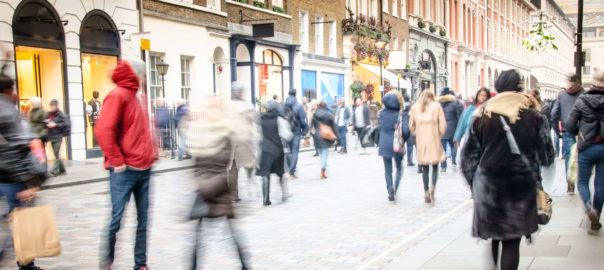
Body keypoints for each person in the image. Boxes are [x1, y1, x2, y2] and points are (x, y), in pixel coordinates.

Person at [461, 69, 554, 270]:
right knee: (512, 240)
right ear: (518, 88)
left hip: (490, 186)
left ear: (497, 88)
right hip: (520, 187)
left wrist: (475, 184)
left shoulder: (481, 115)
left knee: (495, 235)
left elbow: (467, 159)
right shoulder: (534, 116)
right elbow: (546, 156)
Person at [95, 58, 157, 270]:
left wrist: (152, 153)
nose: (145, 78)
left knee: (143, 221)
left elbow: (143, 129)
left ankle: (140, 264)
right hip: (124, 170)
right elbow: (103, 131)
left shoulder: (140, 96)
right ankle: (107, 263)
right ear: (137, 75)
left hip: (144, 168)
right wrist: (117, 160)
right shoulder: (118, 95)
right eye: (143, 74)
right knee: (116, 219)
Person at [183, 95, 249, 269]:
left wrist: (206, 188)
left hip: (219, 191)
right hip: (205, 190)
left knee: (233, 236)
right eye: (208, 107)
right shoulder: (200, 133)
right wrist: (202, 185)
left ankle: (245, 265)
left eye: (213, 108)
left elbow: (223, 167)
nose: (209, 111)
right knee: (197, 239)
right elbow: (196, 166)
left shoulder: (226, 133)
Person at [0, 73, 45, 270]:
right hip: (11, 177)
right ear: (9, 91)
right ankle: (26, 265)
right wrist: (30, 182)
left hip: (6, 176)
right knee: (21, 220)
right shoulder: (7, 112)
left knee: (15, 220)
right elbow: (17, 148)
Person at [566, 67, 604, 232]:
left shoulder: (582, 100)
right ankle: (597, 213)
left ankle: (589, 208)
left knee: (582, 182)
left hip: (587, 146)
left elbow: (570, 125)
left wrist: (577, 134)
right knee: (601, 184)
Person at [409, 90, 446, 203]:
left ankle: (426, 191)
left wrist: (418, 132)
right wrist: (439, 134)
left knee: (425, 167)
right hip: (434, 138)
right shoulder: (437, 106)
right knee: (435, 165)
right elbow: (443, 124)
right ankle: (433, 187)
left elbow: (411, 125)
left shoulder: (415, 107)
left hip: (422, 140)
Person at [551, 74, 584, 194]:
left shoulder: (562, 96)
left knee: (569, 156)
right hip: (583, 131)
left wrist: (556, 129)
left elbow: (554, 113)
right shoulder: (584, 94)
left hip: (567, 130)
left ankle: (570, 184)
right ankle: (582, 183)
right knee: (582, 156)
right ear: (578, 82)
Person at [228, 82, 260, 202]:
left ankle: (233, 195)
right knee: (249, 163)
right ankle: (251, 184)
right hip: (245, 140)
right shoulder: (247, 106)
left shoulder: (227, 105)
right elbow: (256, 120)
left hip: (231, 141)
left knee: (232, 169)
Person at [378, 92, 410, 201]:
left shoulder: (381, 114)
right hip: (397, 144)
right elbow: (406, 130)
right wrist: (404, 140)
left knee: (387, 169)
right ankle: (395, 188)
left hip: (384, 144)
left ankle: (390, 188)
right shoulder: (401, 114)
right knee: (399, 168)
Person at [257, 100, 289, 206]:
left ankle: (265, 199)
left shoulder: (261, 118)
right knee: (280, 172)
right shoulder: (279, 119)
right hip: (277, 149)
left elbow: (257, 135)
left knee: (265, 175)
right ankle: (284, 194)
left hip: (265, 150)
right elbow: (285, 134)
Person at [284, 89, 308, 179]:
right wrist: (305, 128)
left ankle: (290, 167)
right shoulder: (299, 106)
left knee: (289, 151)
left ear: (288, 94)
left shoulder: (284, 105)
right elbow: (302, 120)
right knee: (294, 152)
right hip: (296, 131)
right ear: (296, 94)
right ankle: (291, 172)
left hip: (286, 131)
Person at [438, 87, 463, 172]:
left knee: (442, 148)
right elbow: (459, 116)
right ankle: (453, 161)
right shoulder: (455, 104)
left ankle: (443, 166)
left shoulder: (439, 104)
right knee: (453, 146)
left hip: (442, 128)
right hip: (453, 128)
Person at [312, 101, 339, 179]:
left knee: (321, 153)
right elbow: (334, 126)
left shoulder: (315, 113)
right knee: (324, 154)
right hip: (325, 135)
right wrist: (337, 136)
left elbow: (314, 124)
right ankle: (323, 172)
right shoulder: (329, 115)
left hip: (317, 135)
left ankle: (322, 166)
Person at [47, 99, 68, 176]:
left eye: (52, 106)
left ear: (56, 106)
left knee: (56, 153)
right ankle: (62, 169)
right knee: (56, 154)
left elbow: (64, 124)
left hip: (58, 136)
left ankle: (55, 170)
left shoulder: (60, 114)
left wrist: (55, 125)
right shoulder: (50, 114)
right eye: (50, 106)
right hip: (52, 136)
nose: (51, 107)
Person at [403, 95, 415, 167]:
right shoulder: (412, 107)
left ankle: (399, 159)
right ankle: (409, 161)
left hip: (401, 128)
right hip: (410, 128)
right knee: (410, 145)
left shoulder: (400, 108)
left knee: (400, 144)